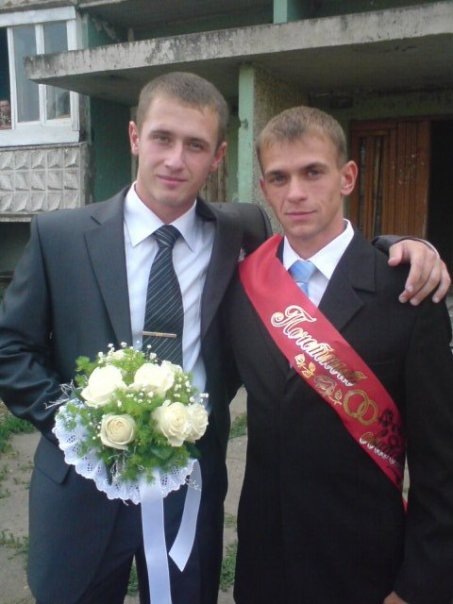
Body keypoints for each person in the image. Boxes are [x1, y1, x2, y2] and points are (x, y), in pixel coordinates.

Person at [0, 72, 448, 604]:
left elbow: (329, 254)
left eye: (195, 145)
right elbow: (10, 350)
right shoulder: (59, 235)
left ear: (217, 158)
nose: (175, 160)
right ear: (135, 137)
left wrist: (407, 245)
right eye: (162, 138)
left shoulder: (240, 235)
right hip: (80, 493)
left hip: (189, 490)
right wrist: (80, 428)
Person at [224, 105, 453, 604]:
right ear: (264, 189)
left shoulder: (408, 294)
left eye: (313, 172)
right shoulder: (242, 289)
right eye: (279, 178)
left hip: (366, 569)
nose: (295, 192)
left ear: (347, 177)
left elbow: (441, 466)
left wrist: (418, 586)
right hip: (265, 565)